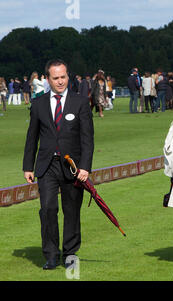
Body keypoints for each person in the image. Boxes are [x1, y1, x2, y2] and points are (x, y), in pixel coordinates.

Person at [22, 59, 94, 270]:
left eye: (63, 77)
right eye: (56, 78)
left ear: (68, 76)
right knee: (48, 209)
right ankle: (51, 255)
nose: (60, 81)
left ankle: (70, 254)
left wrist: (85, 167)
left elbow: (87, 138)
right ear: (48, 79)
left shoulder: (80, 102)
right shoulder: (38, 103)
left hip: (73, 167)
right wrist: (28, 166)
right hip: (46, 167)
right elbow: (31, 138)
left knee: (71, 211)